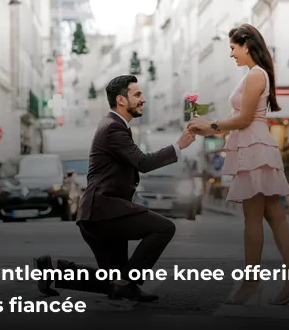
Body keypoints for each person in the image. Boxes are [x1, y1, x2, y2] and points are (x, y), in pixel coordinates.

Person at [34, 75, 195, 305]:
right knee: (164, 228)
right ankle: (127, 283)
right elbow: (143, 163)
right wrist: (178, 147)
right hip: (104, 210)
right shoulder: (113, 128)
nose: (143, 100)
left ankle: (52, 269)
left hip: (98, 214)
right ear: (121, 100)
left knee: (114, 281)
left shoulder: (115, 126)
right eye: (137, 95)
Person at [188, 24, 289, 306]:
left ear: (246, 46)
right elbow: (239, 117)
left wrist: (210, 125)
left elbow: (244, 118)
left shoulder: (254, 76)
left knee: (255, 218)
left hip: (254, 147)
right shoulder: (255, 75)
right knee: (274, 215)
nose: (231, 54)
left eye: (233, 48)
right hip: (254, 146)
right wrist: (208, 127)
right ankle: (288, 280)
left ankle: (252, 283)